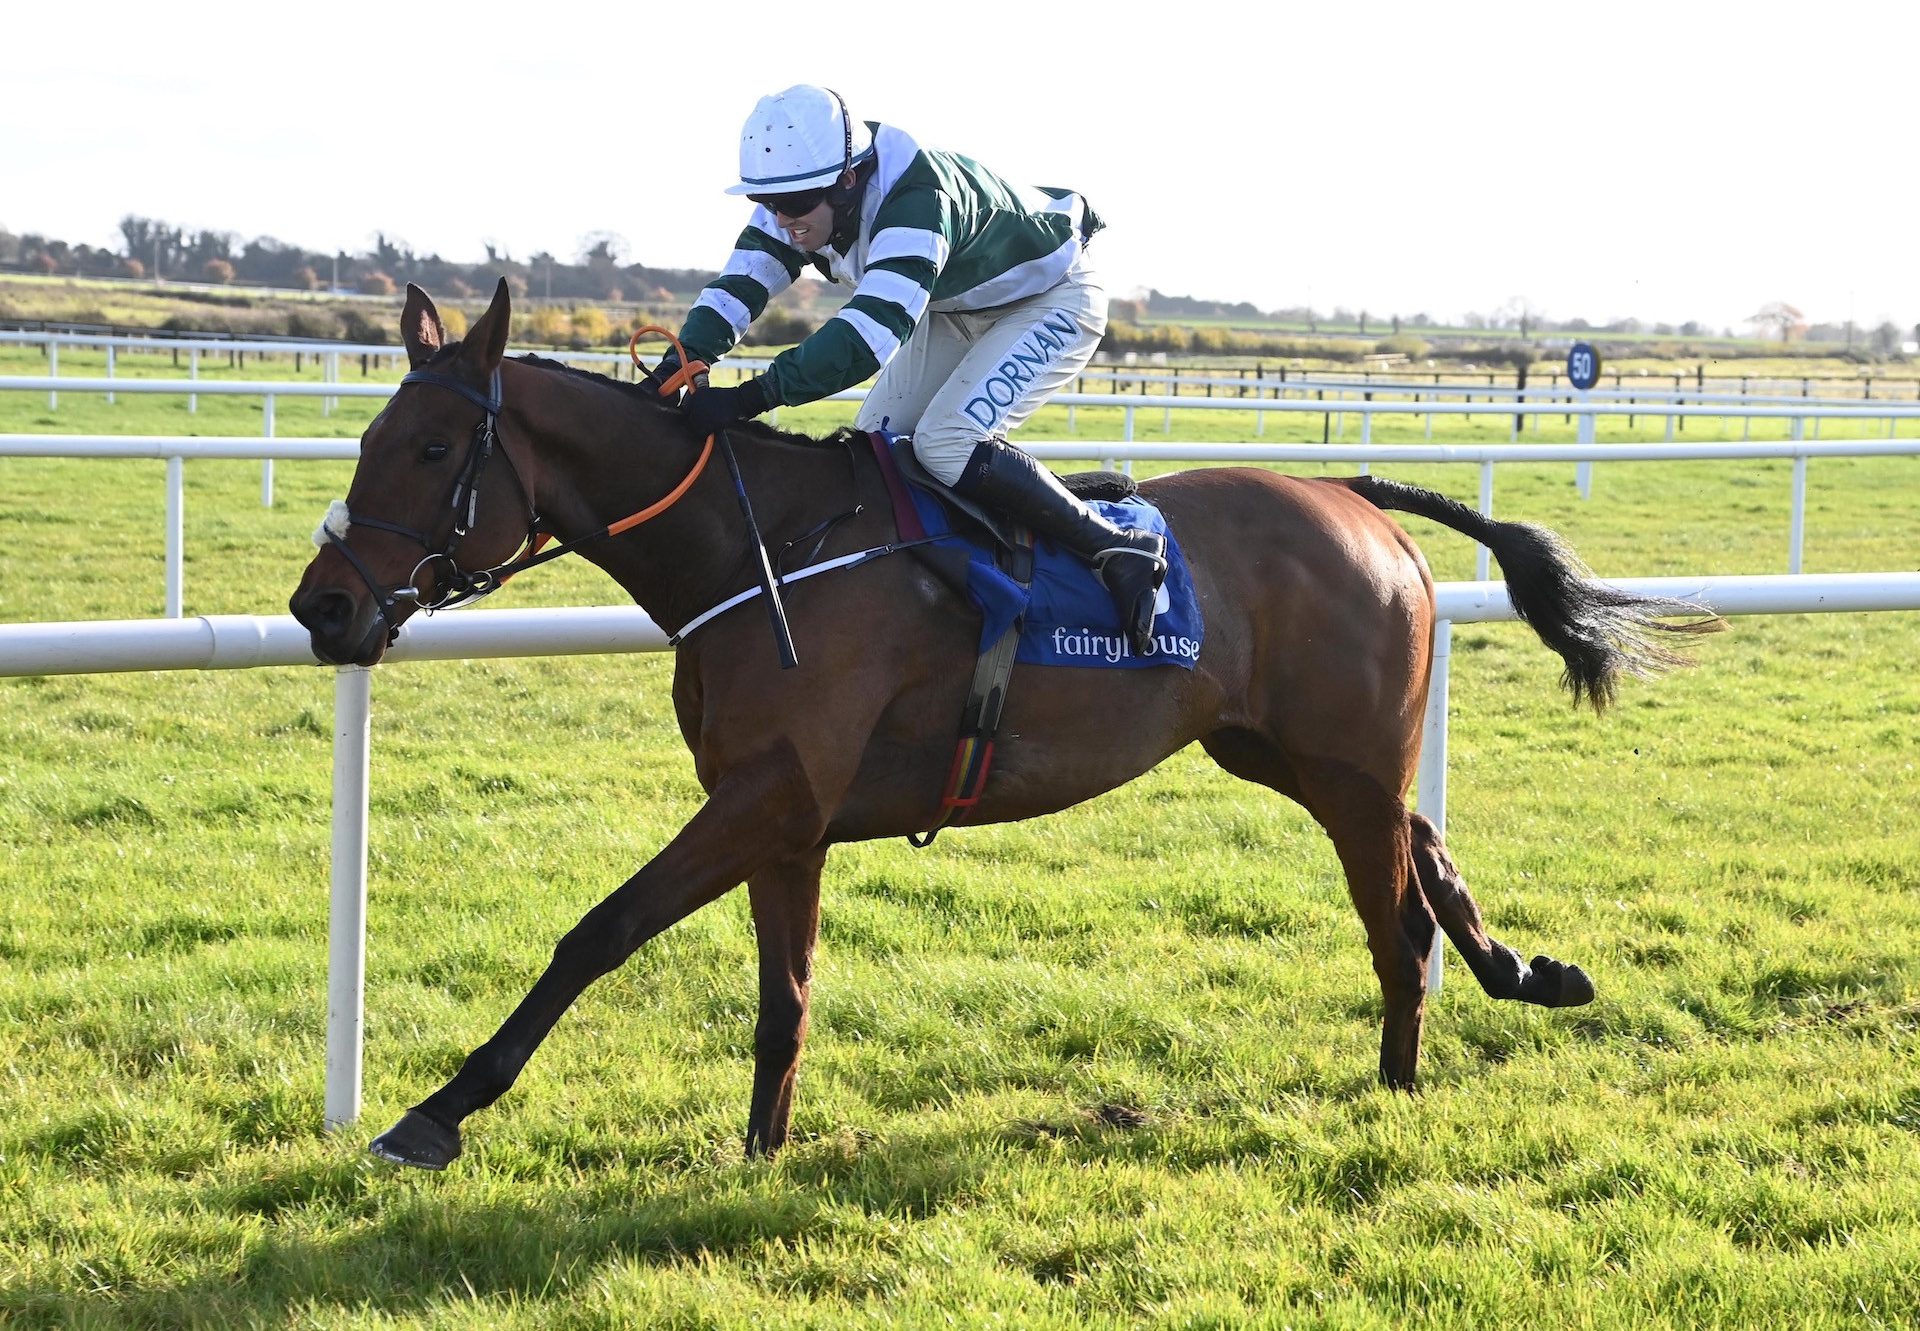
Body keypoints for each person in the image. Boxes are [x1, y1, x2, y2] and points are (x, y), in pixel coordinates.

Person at [656, 84, 1167, 653]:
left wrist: (750, 397)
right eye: (770, 202)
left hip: (1055, 297)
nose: (782, 219)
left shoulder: (918, 199)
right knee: (875, 453)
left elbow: (867, 337)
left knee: (946, 443)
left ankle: (1117, 547)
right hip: (958, 306)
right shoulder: (802, 191)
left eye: (796, 205)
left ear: (847, 180)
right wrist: (682, 359)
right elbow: (741, 284)